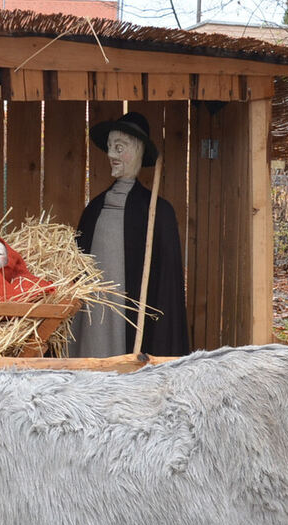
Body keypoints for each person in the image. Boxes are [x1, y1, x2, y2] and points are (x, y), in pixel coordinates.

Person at [72, 111, 190, 358]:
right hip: (96, 316)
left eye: (119, 147)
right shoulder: (94, 210)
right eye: (109, 147)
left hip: (136, 326)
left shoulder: (158, 212)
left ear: (137, 152)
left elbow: (166, 287)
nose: (111, 155)